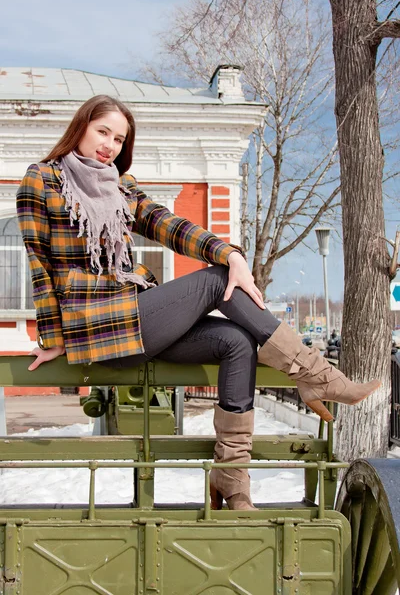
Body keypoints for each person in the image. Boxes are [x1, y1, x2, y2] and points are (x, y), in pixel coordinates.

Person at [16, 95, 380, 511]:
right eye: (103, 132)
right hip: (95, 325)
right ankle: (315, 372)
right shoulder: (42, 179)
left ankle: (231, 478)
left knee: (236, 342)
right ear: (80, 126)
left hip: (135, 319)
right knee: (219, 278)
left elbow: (170, 225)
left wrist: (229, 251)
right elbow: (38, 263)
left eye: (119, 139)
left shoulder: (121, 186)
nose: (110, 146)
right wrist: (52, 336)